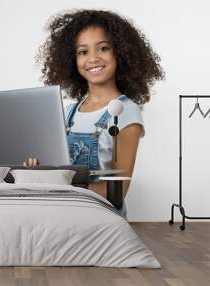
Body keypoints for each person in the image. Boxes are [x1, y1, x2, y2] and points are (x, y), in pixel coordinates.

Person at [24, 9, 164, 215]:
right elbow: (57, 170)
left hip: (101, 219)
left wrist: (62, 187)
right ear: (73, 60)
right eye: (83, 51)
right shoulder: (67, 112)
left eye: (103, 48)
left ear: (121, 53)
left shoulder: (126, 113)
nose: (93, 58)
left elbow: (117, 192)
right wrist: (37, 172)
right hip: (65, 213)